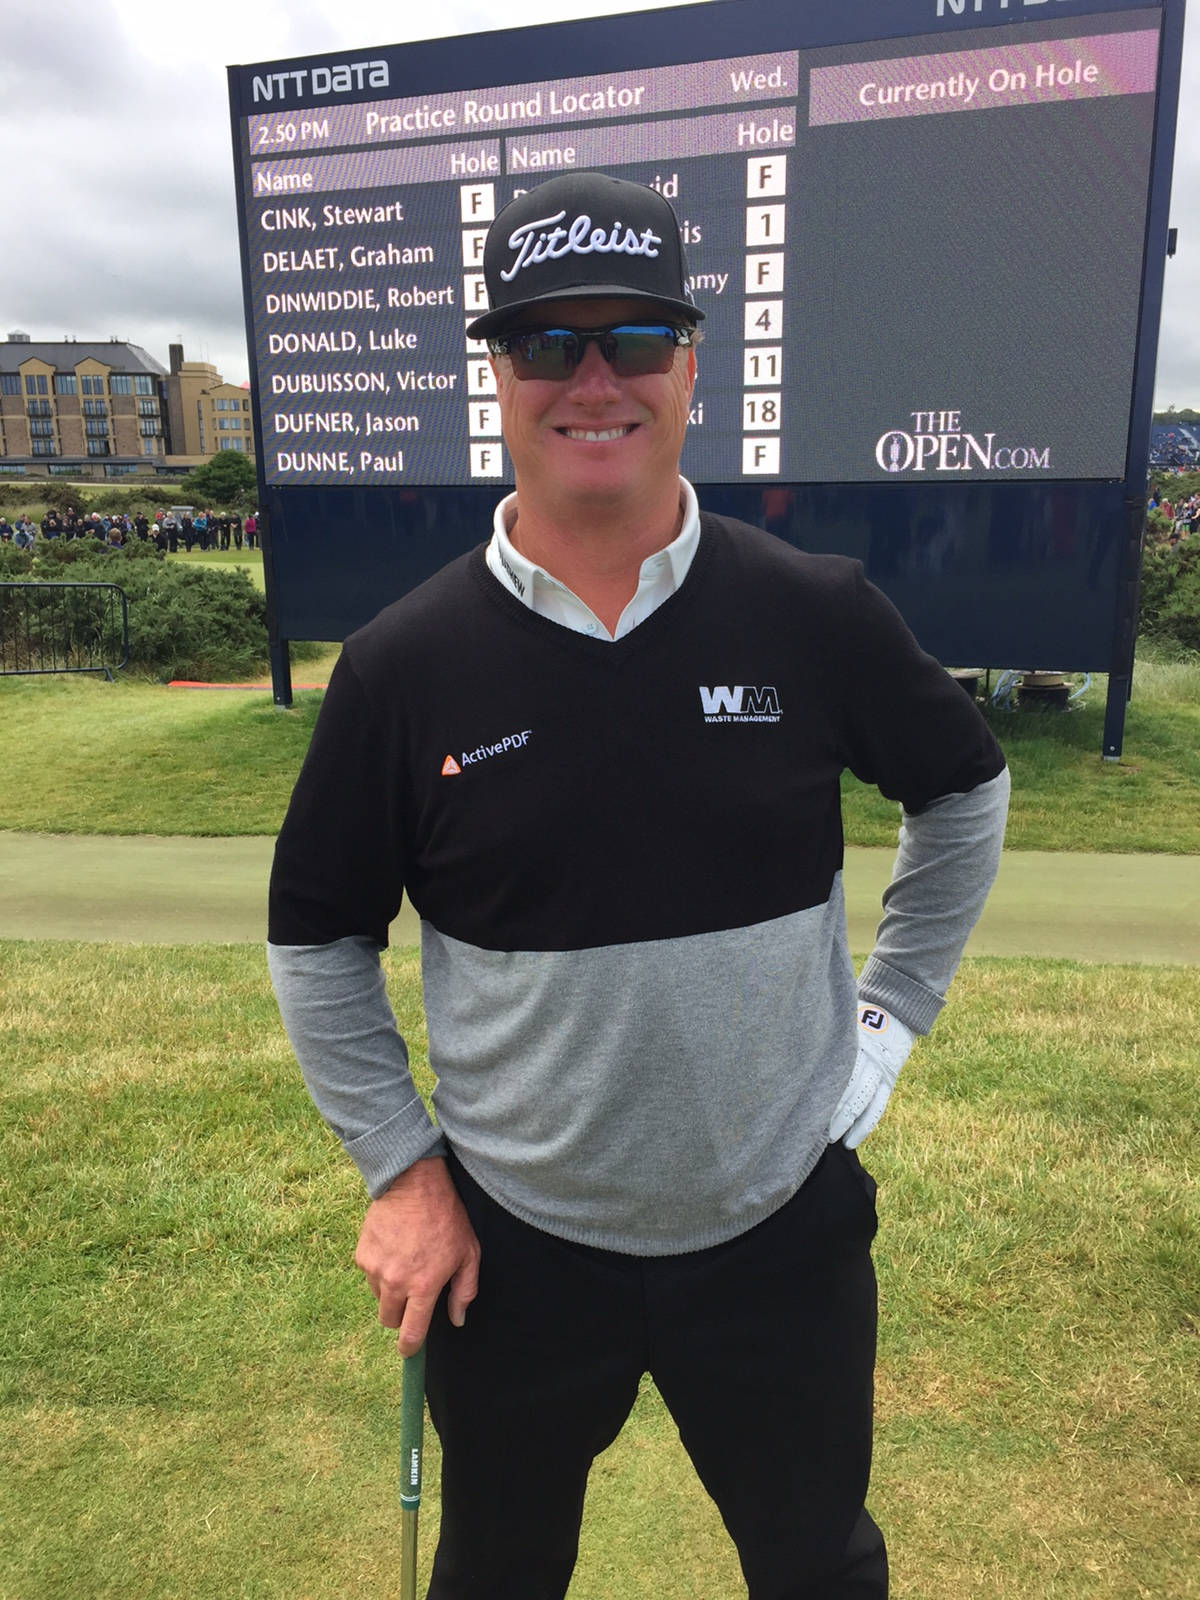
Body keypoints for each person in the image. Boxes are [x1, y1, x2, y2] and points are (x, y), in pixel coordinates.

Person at [268, 171, 1009, 1599]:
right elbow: (317, 940)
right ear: (497, 370)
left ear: (692, 362)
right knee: (501, 1571)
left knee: (818, 1566)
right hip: (516, 1249)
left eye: (635, 339)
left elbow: (964, 792)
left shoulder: (814, 612)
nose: (593, 379)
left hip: (778, 1227)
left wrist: (892, 1018)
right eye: (550, 343)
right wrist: (402, 1169)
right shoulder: (403, 667)